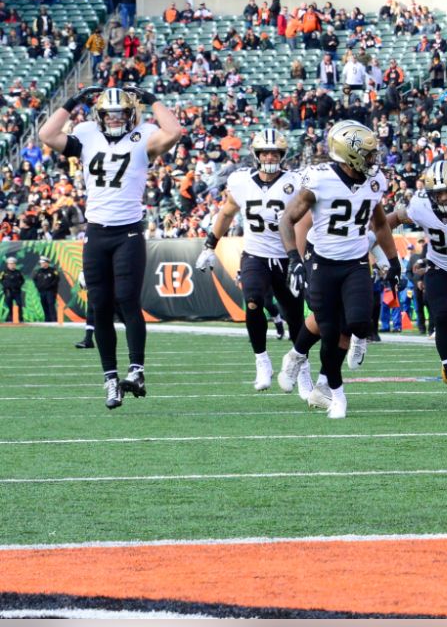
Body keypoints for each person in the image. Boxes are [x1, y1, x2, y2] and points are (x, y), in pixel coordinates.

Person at [37, 86, 183, 409]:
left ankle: (137, 370)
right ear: (98, 115)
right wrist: (73, 100)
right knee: (100, 306)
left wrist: (150, 98)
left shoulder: (144, 135)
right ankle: (111, 381)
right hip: (97, 233)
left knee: (127, 299)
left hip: (128, 231)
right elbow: (47, 134)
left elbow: (174, 131)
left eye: (120, 113)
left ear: (130, 113)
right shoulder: (87, 134)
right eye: (108, 113)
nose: (114, 119)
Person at [278, 120, 401, 419]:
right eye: (369, 154)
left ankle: (322, 379)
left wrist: (393, 260)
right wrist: (294, 259)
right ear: (351, 154)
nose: (374, 160)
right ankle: (333, 391)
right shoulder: (319, 179)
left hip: (356, 262)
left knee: (359, 323)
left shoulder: (374, 182)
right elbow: (287, 219)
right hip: (322, 263)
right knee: (330, 332)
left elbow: (380, 223)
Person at [197, 128, 307, 393]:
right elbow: (226, 214)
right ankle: (262, 361)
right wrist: (210, 244)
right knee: (254, 302)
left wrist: (300, 258)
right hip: (255, 254)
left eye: (274, 152)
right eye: (265, 152)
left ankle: (301, 369)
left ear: (282, 154)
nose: (269, 156)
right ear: (257, 154)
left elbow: (306, 222)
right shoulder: (241, 181)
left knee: (295, 317)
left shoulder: (297, 181)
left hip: (285, 257)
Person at [387, 160, 447, 404]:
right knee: (440, 315)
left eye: (446, 190)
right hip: (438, 267)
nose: (442, 197)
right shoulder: (420, 205)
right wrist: (370, 237)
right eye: (437, 193)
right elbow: (392, 219)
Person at [32, 256, 59, 322]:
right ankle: (47, 319)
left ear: (47, 263)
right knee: (44, 304)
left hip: (50, 291)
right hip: (42, 291)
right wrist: (38, 286)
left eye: (43, 263)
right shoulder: (38, 271)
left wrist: (50, 286)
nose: (42, 264)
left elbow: (56, 279)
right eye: (41, 263)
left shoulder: (53, 270)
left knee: (51, 304)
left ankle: (54, 319)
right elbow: (35, 279)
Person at [1, 257, 23, 322]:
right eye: (10, 264)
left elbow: (22, 280)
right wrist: (6, 286)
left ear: (15, 265)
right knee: (9, 305)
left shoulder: (18, 272)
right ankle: (10, 318)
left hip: (16, 291)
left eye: (13, 264)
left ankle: (20, 318)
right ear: (8, 265)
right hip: (8, 292)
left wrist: (18, 285)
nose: (11, 265)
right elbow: (1, 280)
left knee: (19, 304)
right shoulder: (4, 272)